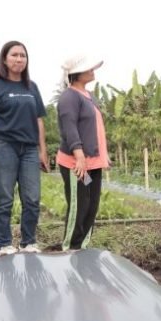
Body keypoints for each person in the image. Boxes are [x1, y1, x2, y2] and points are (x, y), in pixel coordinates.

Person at [0, 41, 50, 256]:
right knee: (5, 198)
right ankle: (3, 244)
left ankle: (28, 242)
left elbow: (39, 121)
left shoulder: (32, 87)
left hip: (29, 149)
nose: (19, 59)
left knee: (32, 198)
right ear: (4, 59)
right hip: (3, 146)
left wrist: (42, 150)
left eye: (23, 55)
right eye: (14, 55)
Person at [56, 56, 109, 250]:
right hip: (77, 164)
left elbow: (94, 127)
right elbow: (70, 129)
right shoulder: (69, 97)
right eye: (89, 68)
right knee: (79, 206)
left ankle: (82, 247)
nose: (93, 70)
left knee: (91, 205)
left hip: (93, 163)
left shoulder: (89, 95)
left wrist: (104, 155)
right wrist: (79, 157)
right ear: (76, 74)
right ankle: (69, 248)